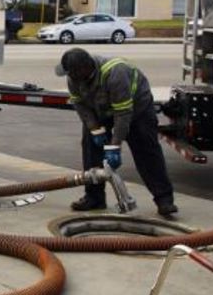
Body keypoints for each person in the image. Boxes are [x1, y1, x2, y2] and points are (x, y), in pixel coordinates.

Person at [56, 47, 178, 217]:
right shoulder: (73, 78)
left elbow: (123, 113)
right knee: (90, 148)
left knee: (146, 151)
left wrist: (114, 146)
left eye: (73, 74)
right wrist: (95, 129)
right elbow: (80, 105)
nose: (70, 77)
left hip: (136, 109)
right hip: (101, 109)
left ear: (84, 69)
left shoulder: (115, 73)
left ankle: (164, 199)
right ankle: (94, 198)